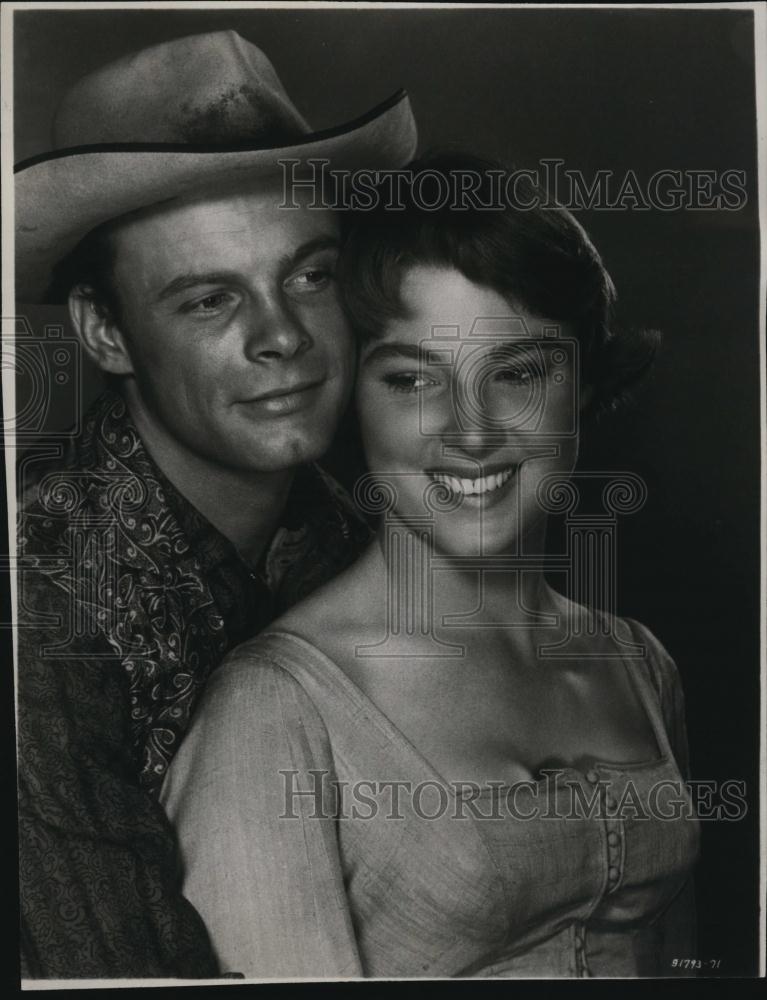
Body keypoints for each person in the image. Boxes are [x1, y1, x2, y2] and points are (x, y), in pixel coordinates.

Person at [162, 153, 701, 979]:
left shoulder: (638, 663)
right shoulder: (276, 712)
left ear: (583, 385)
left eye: (517, 373)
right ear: (351, 401)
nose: (470, 432)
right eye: (412, 380)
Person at [15, 30, 416, 979]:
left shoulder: (371, 540)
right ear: (105, 332)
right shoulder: (40, 610)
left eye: (309, 275)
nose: (282, 336)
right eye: (208, 300)